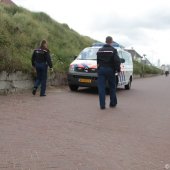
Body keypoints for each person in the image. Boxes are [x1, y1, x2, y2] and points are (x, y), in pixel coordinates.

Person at [97, 36, 121, 109]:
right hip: (110, 70)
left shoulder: (99, 50)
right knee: (112, 87)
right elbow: (117, 61)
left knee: (101, 87)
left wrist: (98, 69)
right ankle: (112, 103)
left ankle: (102, 105)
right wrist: (118, 70)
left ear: (105, 41)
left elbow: (98, 61)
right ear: (111, 42)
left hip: (101, 70)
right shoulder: (113, 50)